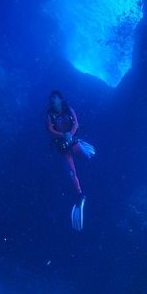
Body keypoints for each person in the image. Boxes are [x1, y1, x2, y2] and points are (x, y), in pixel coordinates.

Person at [46, 90, 96, 231]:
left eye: (55, 98)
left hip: (73, 142)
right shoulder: (49, 115)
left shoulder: (69, 109)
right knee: (71, 174)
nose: (53, 101)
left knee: (88, 158)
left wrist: (71, 135)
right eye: (51, 99)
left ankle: (83, 144)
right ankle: (80, 196)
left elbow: (76, 124)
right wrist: (63, 135)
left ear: (60, 99)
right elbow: (50, 130)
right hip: (63, 148)